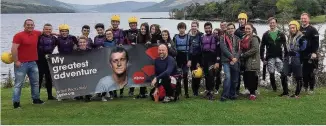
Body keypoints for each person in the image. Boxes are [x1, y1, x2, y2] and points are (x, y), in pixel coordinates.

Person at [11, 19, 45, 108]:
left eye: (31, 25)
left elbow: (44, 31)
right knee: (18, 84)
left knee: (35, 82)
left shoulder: (35, 33)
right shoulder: (18, 35)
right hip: (21, 63)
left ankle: (36, 99)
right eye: (28, 25)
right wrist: (16, 61)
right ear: (24, 25)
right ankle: (16, 103)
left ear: (34, 26)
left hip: (33, 62)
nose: (30, 26)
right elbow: (14, 49)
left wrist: (56, 34)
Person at [260, 17, 287, 92]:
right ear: (268, 24)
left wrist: (286, 57)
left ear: (276, 23)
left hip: (279, 57)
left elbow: (285, 47)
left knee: (283, 72)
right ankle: (274, 89)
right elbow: (262, 47)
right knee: (271, 73)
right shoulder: (265, 34)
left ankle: (285, 89)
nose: (272, 24)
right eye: (270, 23)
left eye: (273, 23)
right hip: (270, 57)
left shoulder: (281, 34)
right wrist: (262, 58)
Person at [282, 20, 307, 98]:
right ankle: (285, 92)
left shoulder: (302, 37)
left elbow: (304, 49)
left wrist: (296, 52)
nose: (292, 29)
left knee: (298, 77)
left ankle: (296, 94)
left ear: (297, 28)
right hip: (288, 58)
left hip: (297, 59)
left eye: (293, 28)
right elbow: (288, 47)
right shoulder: (289, 36)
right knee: (283, 75)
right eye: (290, 28)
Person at [234, 12, 257, 95]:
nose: (241, 20)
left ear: (246, 19)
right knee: (239, 72)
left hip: (249, 55)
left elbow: (255, 42)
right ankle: (237, 89)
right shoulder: (237, 31)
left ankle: (251, 89)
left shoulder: (252, 29)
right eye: (239, 19)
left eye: (242, 19)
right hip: (240, 54)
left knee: (250, 73)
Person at [219, 23, 241, 102]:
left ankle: (232, 94)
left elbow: (239, 50)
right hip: (226, 61)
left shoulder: (238, 38)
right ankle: (225, 95)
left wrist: (236, 58)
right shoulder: (223, 38)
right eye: (229, 29)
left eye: (232, 28)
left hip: (235, 60)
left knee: (235, 79)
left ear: (234, 29)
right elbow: (224, 49)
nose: (230, 30)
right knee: (228, 77)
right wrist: (232, 58)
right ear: (226, 30)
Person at [300, 13, 319, 94]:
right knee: (303, 73)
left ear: (309, 19)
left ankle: (311, 89)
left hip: (310, 54)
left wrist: (314, 53)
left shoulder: (313, 29)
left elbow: (316, 43)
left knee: (310, 72)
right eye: (302, 18)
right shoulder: (298, 28)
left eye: (305, 18)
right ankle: (305, 88)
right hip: (300, 54)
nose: (303, 20)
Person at [36, 23, 57, 100]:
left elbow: (62, 41)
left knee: (49, 78)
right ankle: (36, 96)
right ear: (43, 29)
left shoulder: (54, 38)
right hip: (39, 60)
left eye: (49, 29)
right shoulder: (38, 37)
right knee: (39, 79)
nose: (48, 30)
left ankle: (50, 96)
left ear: (51, 30)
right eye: (46, 29)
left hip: (49, 59)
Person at [240, 23, 261, 100]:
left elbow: (255, 49)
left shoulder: (254, 38)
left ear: (252, 29)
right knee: (246, 75)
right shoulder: (244, 37)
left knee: (252, 76)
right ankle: (248, 90)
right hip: (245, 60)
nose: (247, 30)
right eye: (246, 28)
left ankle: (253, 93)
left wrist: (244, 54)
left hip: (252, 60)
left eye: (249, 28)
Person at [201, 22, 221, 100]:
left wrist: (217, 61)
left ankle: (211, 93)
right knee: (206, 76)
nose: (208, 30)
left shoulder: (216, 37)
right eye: (206, 28)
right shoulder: (202, 37)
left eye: (209, 28)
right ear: (204, 29)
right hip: (205, 59)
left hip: (212, 60)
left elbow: (219, 50)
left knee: (211, 76)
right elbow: (201, 50)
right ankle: (208, 91)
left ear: (211, 28)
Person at [120, 16, 139, 97]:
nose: (133, 25)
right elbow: (120, 38)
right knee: (123, 74)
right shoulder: (125, 32)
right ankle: (121, 91)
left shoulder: (139, 32)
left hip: (136, 56)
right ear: (129, 24)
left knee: (133, 74)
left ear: (136, 24)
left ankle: (131, 91)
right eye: (131, 24)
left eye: (134, 24)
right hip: (127, 56)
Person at [173, 22, 191, 98]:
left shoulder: (188, 37)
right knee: (178, 76)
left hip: (186, 57)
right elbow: (173, 48)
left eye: (183, 28)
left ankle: (186, 93)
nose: (181, 29)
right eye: (180, 28)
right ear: (178, 29)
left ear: (185, 29)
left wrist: (189, 60)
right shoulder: (175, 37)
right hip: (178, 57)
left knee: (185, 76)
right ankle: (179, 92)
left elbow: (191, 50)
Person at [188, 21, 203, 96]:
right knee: (193, 74)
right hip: (191, 58)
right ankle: (194, 91)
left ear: (197, 27)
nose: (193, 27)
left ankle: (196, 89)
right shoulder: (188, 36)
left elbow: (201, 49)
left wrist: (199, 61)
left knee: (198, 74)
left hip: (198, 58)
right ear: (191, 27)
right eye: (192, 26)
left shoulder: (201, 35)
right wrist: (189, 60)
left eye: (195, 26)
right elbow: (188, 49)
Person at [75, 36, 93, 102]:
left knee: (88, 81)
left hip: (88, 69)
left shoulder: (90, 50)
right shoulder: (75, 51)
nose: (82, 43)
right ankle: (79, 95)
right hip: (79, 69)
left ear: (86, 42)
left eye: (84, 42)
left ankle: (88, 96)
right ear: (78, 43)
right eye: (80, 42)